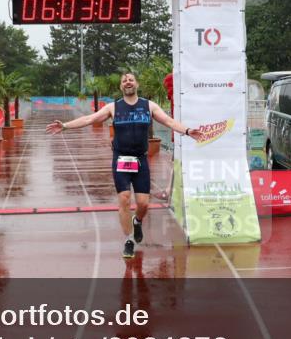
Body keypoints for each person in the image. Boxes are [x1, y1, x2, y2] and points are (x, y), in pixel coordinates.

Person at [46, 71, 202, 258]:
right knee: (125, 199)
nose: (128, 82)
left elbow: (168, 121)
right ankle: (128, 240)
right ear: (121, 87)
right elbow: (89, 119)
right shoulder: (113, 108)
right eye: (124, 80)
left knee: (143, 203)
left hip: (140, 160)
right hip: (121, 159)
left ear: (137, 84)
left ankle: (137, 221)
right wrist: (65, 126)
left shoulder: (149, 106)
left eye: (131, 80)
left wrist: (187, 130)